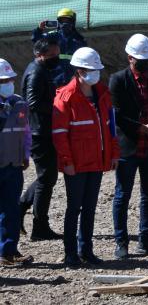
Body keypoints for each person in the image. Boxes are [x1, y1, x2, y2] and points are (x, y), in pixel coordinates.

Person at [52, 47, 120, 267]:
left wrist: (113, 154)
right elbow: (59, 134)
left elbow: (111, 128)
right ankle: (70, 253)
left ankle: (86, 250)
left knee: (90, 207)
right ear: (78, 71)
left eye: (96, 69)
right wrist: (67, 162)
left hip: (97, 161)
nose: (95, 74)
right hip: (77, 164)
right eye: (90, 70)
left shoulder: (102, 94)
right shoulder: (66, 97)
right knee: (74, 208)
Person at [108, 34, 148, 259]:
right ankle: (121, 242)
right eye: (140, 61)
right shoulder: (118, 80)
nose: (144, 66)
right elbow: (117, 115)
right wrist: (141, 127)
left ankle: (145, 240)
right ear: (129, 58)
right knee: (122, 194)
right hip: (129, 146)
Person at [19, 36, 63, 240]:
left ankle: (25, 211)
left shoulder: (40, 70)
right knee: (47, 178)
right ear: (39, 54)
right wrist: (57, 108)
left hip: (43, 130)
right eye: (51, 55)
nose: (56, 57)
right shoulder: (36, 72)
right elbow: (33, 103)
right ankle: (39, 225)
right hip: (40, 133)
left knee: (47, 177)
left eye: (57, 53)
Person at [0, 59, 33, 266]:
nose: (8, 82)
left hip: (13, 165)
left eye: (10, 79)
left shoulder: (19, 103)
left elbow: (26, 132)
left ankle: (8, 251)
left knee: (11, 209)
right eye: (3, 80)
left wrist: (25, 154)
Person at [31, 8, 87, 86]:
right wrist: (39, 29)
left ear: (73, 22)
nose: (65, 23)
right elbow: (37, 41)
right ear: (58, 21)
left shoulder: (80, 39)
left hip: (73, 79)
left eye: (67, 21)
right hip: (54, 77)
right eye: (62, 21)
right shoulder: (52, 35)